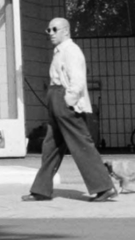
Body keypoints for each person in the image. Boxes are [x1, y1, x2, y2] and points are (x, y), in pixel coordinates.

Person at [27, 17, 115, 202]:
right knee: (51, 145)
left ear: (66, 31)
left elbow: (78, 79)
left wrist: (69, 100)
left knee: (80, 143)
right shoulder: (59, 51)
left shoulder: (71, 51)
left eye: (54, 29)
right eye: (48, 30)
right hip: (56, 97)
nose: (50, 33)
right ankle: (41, 189)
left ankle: (104, 186)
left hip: (64, 99)